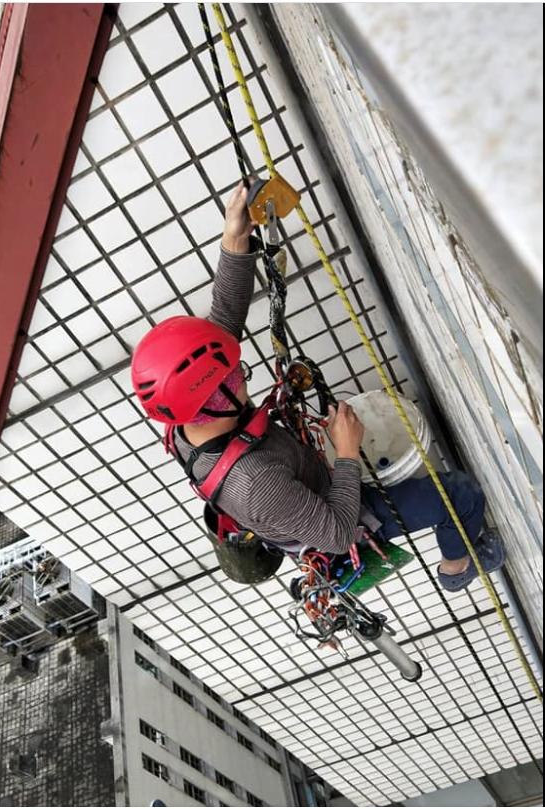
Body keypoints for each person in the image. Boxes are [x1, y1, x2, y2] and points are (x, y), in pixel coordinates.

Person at [131, 182, 505, 592]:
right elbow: (339, 533)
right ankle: (458, 568)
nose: (242, 374)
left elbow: (223, 327)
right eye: (237, 377)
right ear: (214, 399)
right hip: (340, 518)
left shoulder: (187, 416)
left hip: (302, 483)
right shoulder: (256, 484)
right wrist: (346, 452)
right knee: (460, 494)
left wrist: (235, 236)